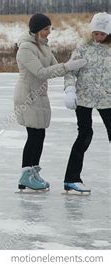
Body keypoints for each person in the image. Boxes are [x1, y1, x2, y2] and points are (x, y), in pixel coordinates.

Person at [14, 13, 87, 191]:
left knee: (40, 135)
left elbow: (56, 68)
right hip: (28, 96)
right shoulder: (25, 49)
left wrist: (71, 64)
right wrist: (67, 66)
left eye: (49, 28)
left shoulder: (44, 47)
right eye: (46, 29)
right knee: (34, 135)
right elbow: (40, 72)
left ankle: (32, 172)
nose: (49, 32)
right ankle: (25, 175)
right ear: (37, 29)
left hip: (39, 95)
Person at [62, 12, 111, 193]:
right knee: (85, 135)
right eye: (96, 33)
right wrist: (69, 89)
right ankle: (71, 179)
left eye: (103, 34)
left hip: (107, 99)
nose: (99, 37)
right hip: (84, 97)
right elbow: (70, 70)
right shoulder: (83, 47)